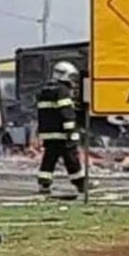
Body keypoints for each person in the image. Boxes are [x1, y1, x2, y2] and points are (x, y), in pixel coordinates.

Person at [36, 61, 86, 194]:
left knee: (49, 159)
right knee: (71, 158)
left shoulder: (44, 90)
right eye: (70, 77)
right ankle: (81, 184)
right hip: (62, 133)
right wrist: (71, 131)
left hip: (49, 134)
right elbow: (66, 112)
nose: (72, 81)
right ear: (63, 75)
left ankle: (44, 183)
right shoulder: (62, 91)